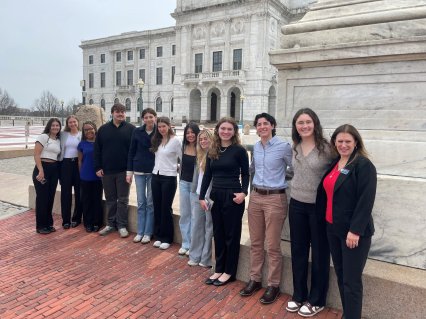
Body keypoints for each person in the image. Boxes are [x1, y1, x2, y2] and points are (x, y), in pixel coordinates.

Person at [317, 124, 377, 319]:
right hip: (332, 229)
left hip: (353, 233)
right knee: (342, 276)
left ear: (356, 142)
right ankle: (348, 314)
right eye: (340, 141)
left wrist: (355, 231)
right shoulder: (335, 163)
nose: (343, 145)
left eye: (347, 141)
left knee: (351, 281)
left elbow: (365, 200)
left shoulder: (363, 165)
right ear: (334, 142)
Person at [239, 113, 292, 304]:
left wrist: (278, 182)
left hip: (275, 199)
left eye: (265, 124)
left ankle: (274, 285)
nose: (262, 127)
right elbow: (253, 169)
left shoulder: (283, 146)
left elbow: (292, 169)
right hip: (256, 197)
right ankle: (255, 279)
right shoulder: (257, 147)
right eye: (259, 124)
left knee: (272, 245)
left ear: (272, 125)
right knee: (256, 242)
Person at [286, 108, 333, 316]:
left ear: (315, 123)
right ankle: (299, 295)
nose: (304, 126)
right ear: (295, 126)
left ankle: (317, 299)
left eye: (308, 122)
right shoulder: (294, 146)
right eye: (300, 123)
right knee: (298, 251)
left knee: (320, 253)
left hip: (318, 207)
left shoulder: (327, 148)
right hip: (296, 204)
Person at [199, 117, 249, 286]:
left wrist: (244, 192)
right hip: (216, 196)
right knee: (218, 234)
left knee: (231, 235)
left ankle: (229, 271)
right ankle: (219, 268)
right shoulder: (212, 150)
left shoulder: (239, 151)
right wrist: (201, 196)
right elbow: (207, 175)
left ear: (234, 132)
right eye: (223, 128)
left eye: (229, 129)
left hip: (233, 196)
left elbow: (246, 174)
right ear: (217, 130)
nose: (226, 132)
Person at [94, 103, 135, 238]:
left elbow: (134, 151)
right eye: (117, 112)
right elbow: (97, 150)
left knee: (123, 199)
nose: (120, 114)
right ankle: (111, 224)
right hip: (107, 171)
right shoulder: (103, 130)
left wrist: (131, 170)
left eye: (122, 112)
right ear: (112, 113)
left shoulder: (131, 129)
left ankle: (122, 225)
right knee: (110, 199)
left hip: (124, 171)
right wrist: (98, 167)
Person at [127, 108, 157, 244]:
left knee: (150, 203)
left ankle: (148, 232)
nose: (149, 119)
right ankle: (140, 231)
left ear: (155, 118)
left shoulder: (159, 131)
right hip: (139, 169)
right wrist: (129, 172)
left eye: (151, 116)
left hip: (153, 170)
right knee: (141, 202)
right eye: (146, 117)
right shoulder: (137, 131)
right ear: (143, 119)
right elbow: (131, 151)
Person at [151, 117, 182, 250]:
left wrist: (177, 166)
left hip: (169, 177)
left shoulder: (176, 141)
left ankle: (167, 237)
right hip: (155, 176)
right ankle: (158, 235)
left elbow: (183, 158)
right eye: (159, 127)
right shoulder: (157, 140)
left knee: (165, 207)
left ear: (169, 126)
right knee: (157, 206)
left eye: (164, 126)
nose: (161, 129)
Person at [187, 128, 214, 268]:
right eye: (201, 139)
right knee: (197, 226)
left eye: (206, 138)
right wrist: (193, 193)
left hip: (210, 197)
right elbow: (196, 178)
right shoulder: (200, 155)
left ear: (212, 139)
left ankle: (206, 258)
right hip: (198, 195)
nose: (203, 141)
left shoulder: (216, 156)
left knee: (209, 227)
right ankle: (195, 255)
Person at [32, 118, 61, 234]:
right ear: (49, 126)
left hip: (54, 170)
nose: (55, 127)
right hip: (42, 168)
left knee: (50, 198)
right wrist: (40, 170)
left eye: (57, 125)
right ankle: (40, 226)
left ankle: (49, 224)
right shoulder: (43, 137)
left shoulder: (58, 140)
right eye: (53, 125)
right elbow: (36, 154)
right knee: (42, 198)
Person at [178, 122, 200, 255]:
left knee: (195, 215)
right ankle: (185, 243)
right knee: (185, 214)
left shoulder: (201, 148)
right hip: (183, 184)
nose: (190, 135)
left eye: (193, 132)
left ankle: (193, 244)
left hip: (195, 185)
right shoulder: (183, 146)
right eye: (188, 133)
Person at [77, 121, 103, 233]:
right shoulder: (82, 144)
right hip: (85, 176)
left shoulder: (100, 142)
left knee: (97, 200)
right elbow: (79, 161)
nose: (88, 131)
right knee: (86, 200)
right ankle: (88, 223)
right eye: (86, 129)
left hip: (98, 176)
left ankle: (97, 222)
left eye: (90, 128)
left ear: (95, 129)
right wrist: (80, 174)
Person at [59, 115, 82, 229]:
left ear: (78, 122)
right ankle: (66, 220)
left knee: (79, 192)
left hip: (78, 164)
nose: (72, 124)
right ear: (67, 124)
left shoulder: (82, 135)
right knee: (65, 193)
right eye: (70, 122)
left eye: (74, 122)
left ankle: (76, 218)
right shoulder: (64, 135)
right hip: (66, 164)